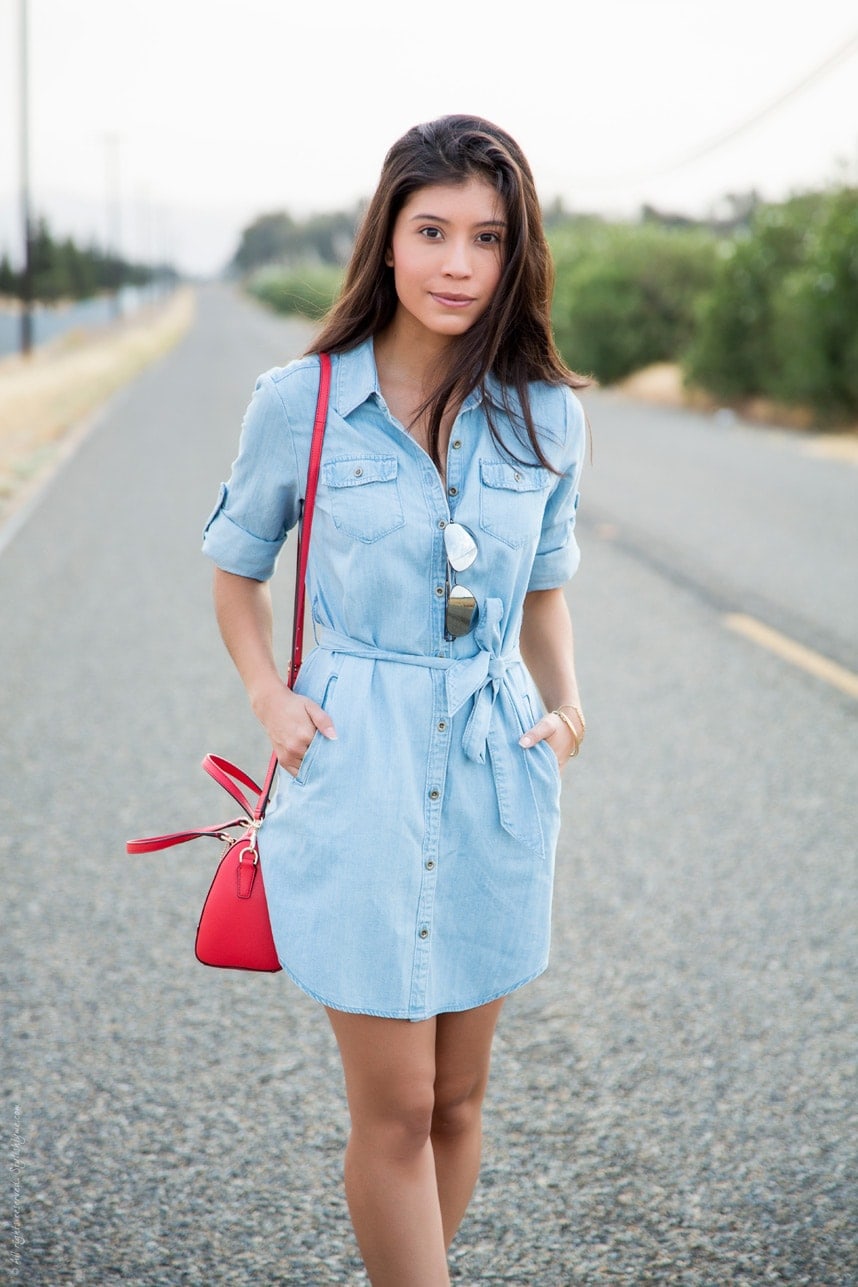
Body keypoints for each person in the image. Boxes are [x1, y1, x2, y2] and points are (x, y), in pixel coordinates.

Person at [202, 114, 589, 1287]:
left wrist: (568, 709)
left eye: (488, 236)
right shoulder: (303, 401)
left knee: (461, 1102)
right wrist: (270, 698)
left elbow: (548, 590)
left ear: (518, 254)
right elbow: (235, 569)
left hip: (493, 766)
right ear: (389, 236)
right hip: (356, 769)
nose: (459, 264)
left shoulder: (548, 412)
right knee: (396, 1109)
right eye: (433, 231)